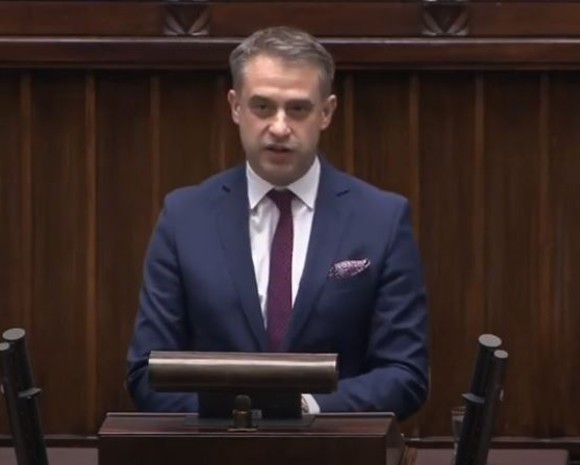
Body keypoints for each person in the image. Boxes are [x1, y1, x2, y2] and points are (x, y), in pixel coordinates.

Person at [127, 26, 428, 420]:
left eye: (298, 109)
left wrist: (304, 408)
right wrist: (240, 416)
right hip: (214, 447)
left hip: (333, 447)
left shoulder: (381, 220)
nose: (280, 127)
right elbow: (147, 373)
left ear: (326, 112)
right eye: (263, 107)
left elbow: (405, 374)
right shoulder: (184, 218)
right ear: (235, 107)